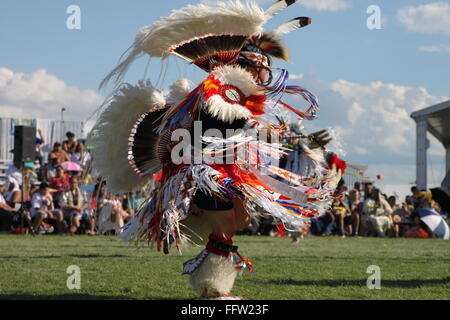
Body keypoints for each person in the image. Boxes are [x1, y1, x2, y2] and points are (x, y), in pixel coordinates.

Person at [90, 0, 346, 300]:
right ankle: (212, 289)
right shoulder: (224, 88)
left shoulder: (233, 90)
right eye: (263, 66)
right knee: (225, 227)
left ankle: (209, 281)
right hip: (204, 173)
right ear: (249, 65)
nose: (267, 73)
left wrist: (270, 134)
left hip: (218, 169)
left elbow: (233, 131)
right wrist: (259, 129)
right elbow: (222, 120)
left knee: (238, 221)